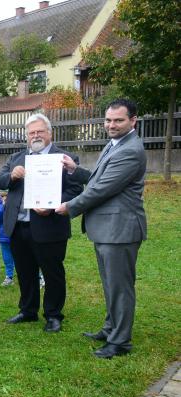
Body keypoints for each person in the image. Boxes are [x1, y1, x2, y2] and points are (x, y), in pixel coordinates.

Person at [56, 99, 147, 359]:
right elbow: (99, 179)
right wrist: (76, 170)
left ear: (133, 121)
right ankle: (110, 329)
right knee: (110, 285)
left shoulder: (131, 150)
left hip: (120, 229)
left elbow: (102, 189)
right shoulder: (115, 144)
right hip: (108, 229)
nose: (112, 125)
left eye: (118, 120)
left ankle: (120, 342)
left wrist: (69, 206)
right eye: (108, 120)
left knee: (120, 287)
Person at [0, 113, 82, 332]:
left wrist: (54, 205)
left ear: (50, 133)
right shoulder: (17, 158)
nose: (35, 136)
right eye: (31, 132)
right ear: (26, 136)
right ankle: (28, 310)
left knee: (52, 272)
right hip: (18, 225)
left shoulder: (64, 158)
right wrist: (12, 176)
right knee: (25, 271)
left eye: (40, 131)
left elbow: (75, 189)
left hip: (49, 225)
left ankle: (53, 315)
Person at [0, 191, 16, 286]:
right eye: (3, 196)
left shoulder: (17, 207)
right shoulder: (0, 207)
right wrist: (3, 207)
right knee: (7, 258)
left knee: (22, 257)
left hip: (17, 237)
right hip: (4, 237)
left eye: (7, 195)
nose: (5, 198)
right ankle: (9, 277)